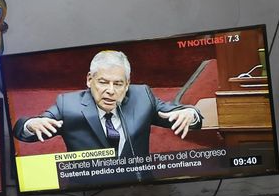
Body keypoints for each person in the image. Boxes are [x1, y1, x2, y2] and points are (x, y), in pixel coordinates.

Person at [13, 50, 202, 156]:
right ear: (89, 80)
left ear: (127, 84)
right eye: (103, 82)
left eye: (118, 84)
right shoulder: (68, 105)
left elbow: (178, 113)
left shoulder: (142, 96)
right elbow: (25, 131)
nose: (110, 90)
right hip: (86, 185)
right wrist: (31, 124)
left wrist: (190, 114)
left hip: (139, 185)